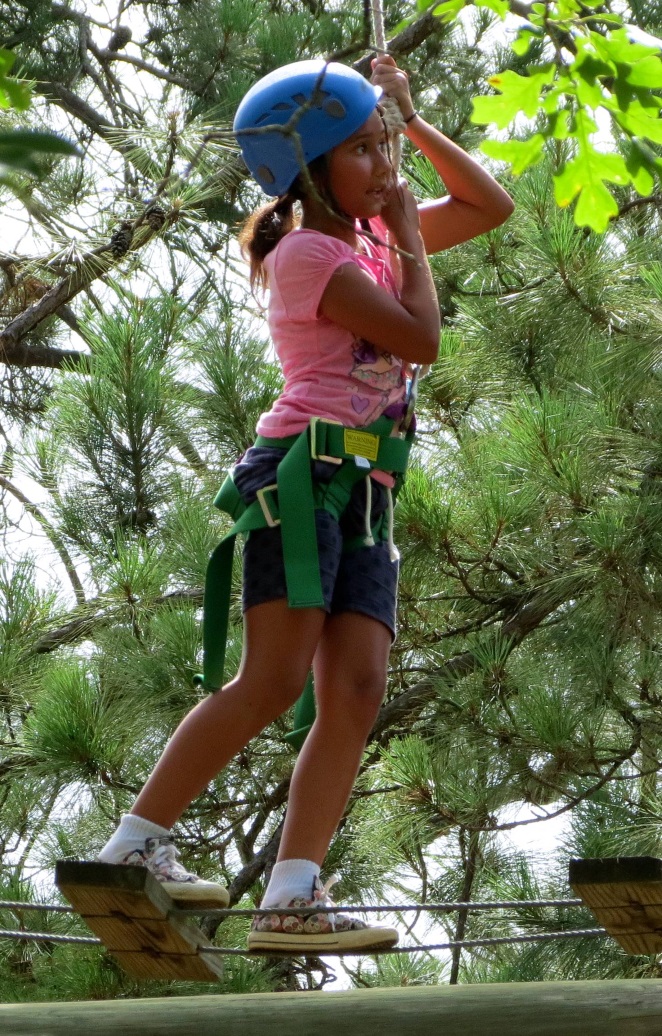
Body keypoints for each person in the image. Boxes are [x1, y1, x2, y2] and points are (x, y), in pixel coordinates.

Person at [96, 55, 514, 953]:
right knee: (275, 678)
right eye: (362, 149)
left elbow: (490, 207)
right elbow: (421, 339)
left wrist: (411, 116)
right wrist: (404, 225)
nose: (383, 165)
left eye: (382, 146)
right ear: (307, 169)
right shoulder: (310, 254)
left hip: (365, 487)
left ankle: (293, 895)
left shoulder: (368, 239)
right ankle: (134, 844)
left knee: (356, 689)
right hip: (300, 475)